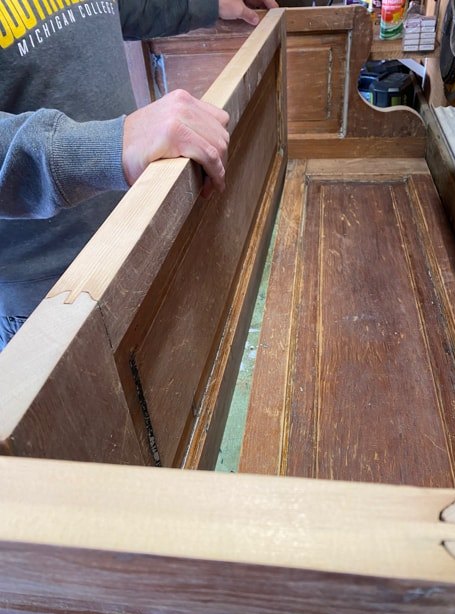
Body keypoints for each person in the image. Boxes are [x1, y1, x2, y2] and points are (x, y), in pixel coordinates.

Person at [0, 0, 278, 351]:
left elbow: (112, 9)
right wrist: (106, 145)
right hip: (52, 294)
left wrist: (206, 3)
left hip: (138, 228)